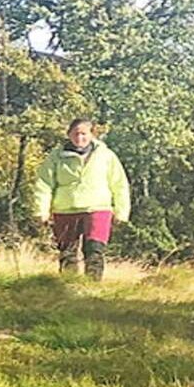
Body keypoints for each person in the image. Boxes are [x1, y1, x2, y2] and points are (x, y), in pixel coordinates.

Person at [31, 118, 131, 279]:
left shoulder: (106, 155)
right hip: (65, 209)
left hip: (98, 208)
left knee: (94, 249)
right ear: (69, 134)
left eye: (84, 134)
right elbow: (44, 184)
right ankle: (69, 286)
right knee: (67, 251)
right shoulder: (56, 156)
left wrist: (122, 212)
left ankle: (92, 287)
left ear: (92, 135)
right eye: (75, 134)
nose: (79, 138)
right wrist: (40, 211)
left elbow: (119, 184)